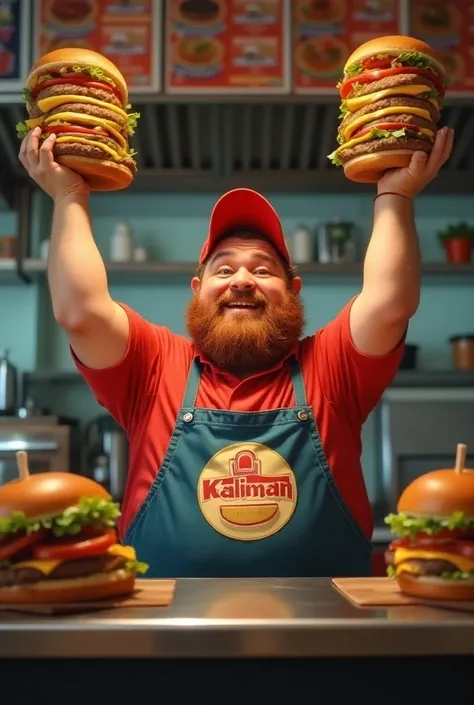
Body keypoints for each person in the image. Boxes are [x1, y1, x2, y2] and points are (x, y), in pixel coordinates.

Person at [18, 126, 454, 579]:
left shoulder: (331, 363)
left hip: (326, 633)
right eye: (223, 268)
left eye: (263, 269)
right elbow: (80, 313)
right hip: (162, 633)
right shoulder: (153, 364)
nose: (241, 280)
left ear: (292, 291)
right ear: (198, 290)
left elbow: (389, 306)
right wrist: (69, 195)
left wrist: (395, 196)